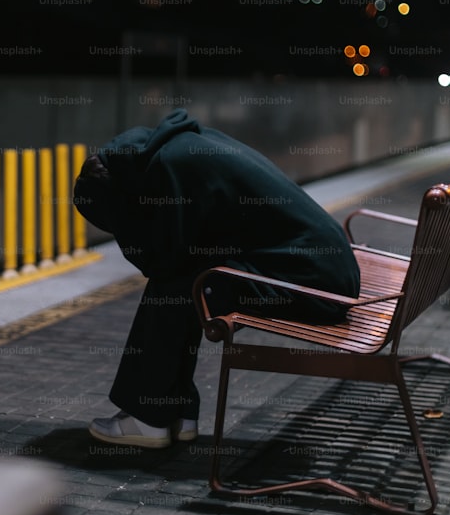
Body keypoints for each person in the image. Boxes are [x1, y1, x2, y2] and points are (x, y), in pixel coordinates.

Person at [72, 108, 361, 449]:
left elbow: (162, 259)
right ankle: (175, 412)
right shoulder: (177, 147)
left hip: (316, 285)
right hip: (321, 270)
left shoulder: (172, 167)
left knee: (180, 284)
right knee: (189, 279)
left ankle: (150, 419)